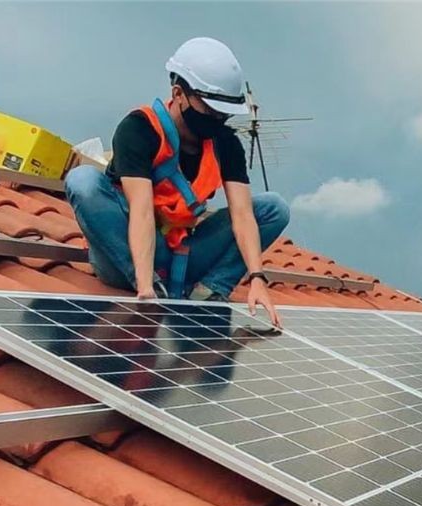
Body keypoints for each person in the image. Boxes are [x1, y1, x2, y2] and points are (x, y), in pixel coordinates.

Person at [64, 37, 286, 328]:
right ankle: (155, 286)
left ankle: (210, 290)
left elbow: (243, 216)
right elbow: (141, 211)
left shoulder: (225, 144)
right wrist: (146, 290)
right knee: (83, 180)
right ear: (179, 93)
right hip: (126, 253)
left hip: (181, 254)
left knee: (273, 208)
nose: (218, 118)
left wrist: (257, 278)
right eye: (210, 109)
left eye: (225, 113)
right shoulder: (140, 129)